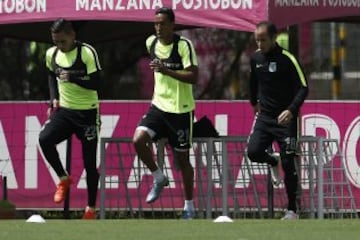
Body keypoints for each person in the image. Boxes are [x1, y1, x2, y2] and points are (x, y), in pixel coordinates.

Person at [132, 7, 198, 219]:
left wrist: (166, 70)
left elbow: (193, 76)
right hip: (158, 106)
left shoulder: (183, 46)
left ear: (172, 25)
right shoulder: (150, 43)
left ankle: (189, 207)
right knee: (138, 140)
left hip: (181, 110)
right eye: (156, 24)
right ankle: (159, 177)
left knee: (182, 160)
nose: (158, 28)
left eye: (162, 24)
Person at [38, 18, 102, 220]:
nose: (59, 46)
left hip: (88, 113)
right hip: (65, 112)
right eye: (55, 41)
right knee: (44, 139)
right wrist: (54, 98)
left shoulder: (86, 52)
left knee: (90, 164)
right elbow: (51, 75)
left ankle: (90, 209)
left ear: (72, 35)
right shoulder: (51, 54)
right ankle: (64, 178)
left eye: (62, 42)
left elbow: (98, 83)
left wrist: (72, 77)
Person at [247, 21, 308, 220]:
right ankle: (273, 160)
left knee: (289, 162)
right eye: (257, 40)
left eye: (263, 40)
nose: (259, 44)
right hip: (265, 117)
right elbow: (253, 83)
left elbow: (303, 87)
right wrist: (253, 101)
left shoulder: (287, 59)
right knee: (254, 152)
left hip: (286, 119)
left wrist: (291, 110)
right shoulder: (255, 58)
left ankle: (292, 210)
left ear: (273, 38)